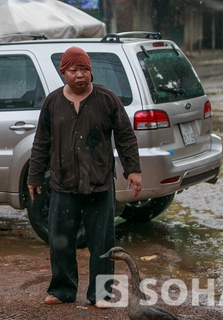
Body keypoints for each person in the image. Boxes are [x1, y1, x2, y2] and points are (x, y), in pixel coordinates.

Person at [27, 46, 143, 309]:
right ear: (63, 73)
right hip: (62, 183)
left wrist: (133, 170)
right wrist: (34, 175)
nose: (79, 75)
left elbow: (125, 135)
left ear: (91, 71)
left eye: (84, 70)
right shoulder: (53, 102)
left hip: (99, 183)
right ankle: (62, 289)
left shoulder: (107, 99)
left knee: (102, 242)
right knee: (60, 240)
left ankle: (101, 294)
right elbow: (41, 141)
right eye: (73, 70)